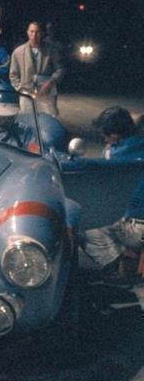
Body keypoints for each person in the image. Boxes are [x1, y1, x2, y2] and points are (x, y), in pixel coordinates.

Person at [81, 107, 144, 283]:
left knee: (85, 227)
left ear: (116, 135)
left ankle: (118, 263)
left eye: (107, 134)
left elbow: (99, 189)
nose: (105, 139)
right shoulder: (138, 144)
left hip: (135, 229)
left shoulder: (113, 155)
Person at [9, 21, 64, 116]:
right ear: (27, 32)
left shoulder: (52, 50)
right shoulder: (18, 52)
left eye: (37, 32)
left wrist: (51, 82)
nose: (34, 35)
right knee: (27, 120)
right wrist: (21, 89)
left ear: (42, 33)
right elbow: (13, 75)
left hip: (47, 92)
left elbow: (60, 69)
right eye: (31, 31)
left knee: (49, 119)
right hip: (26, 94)